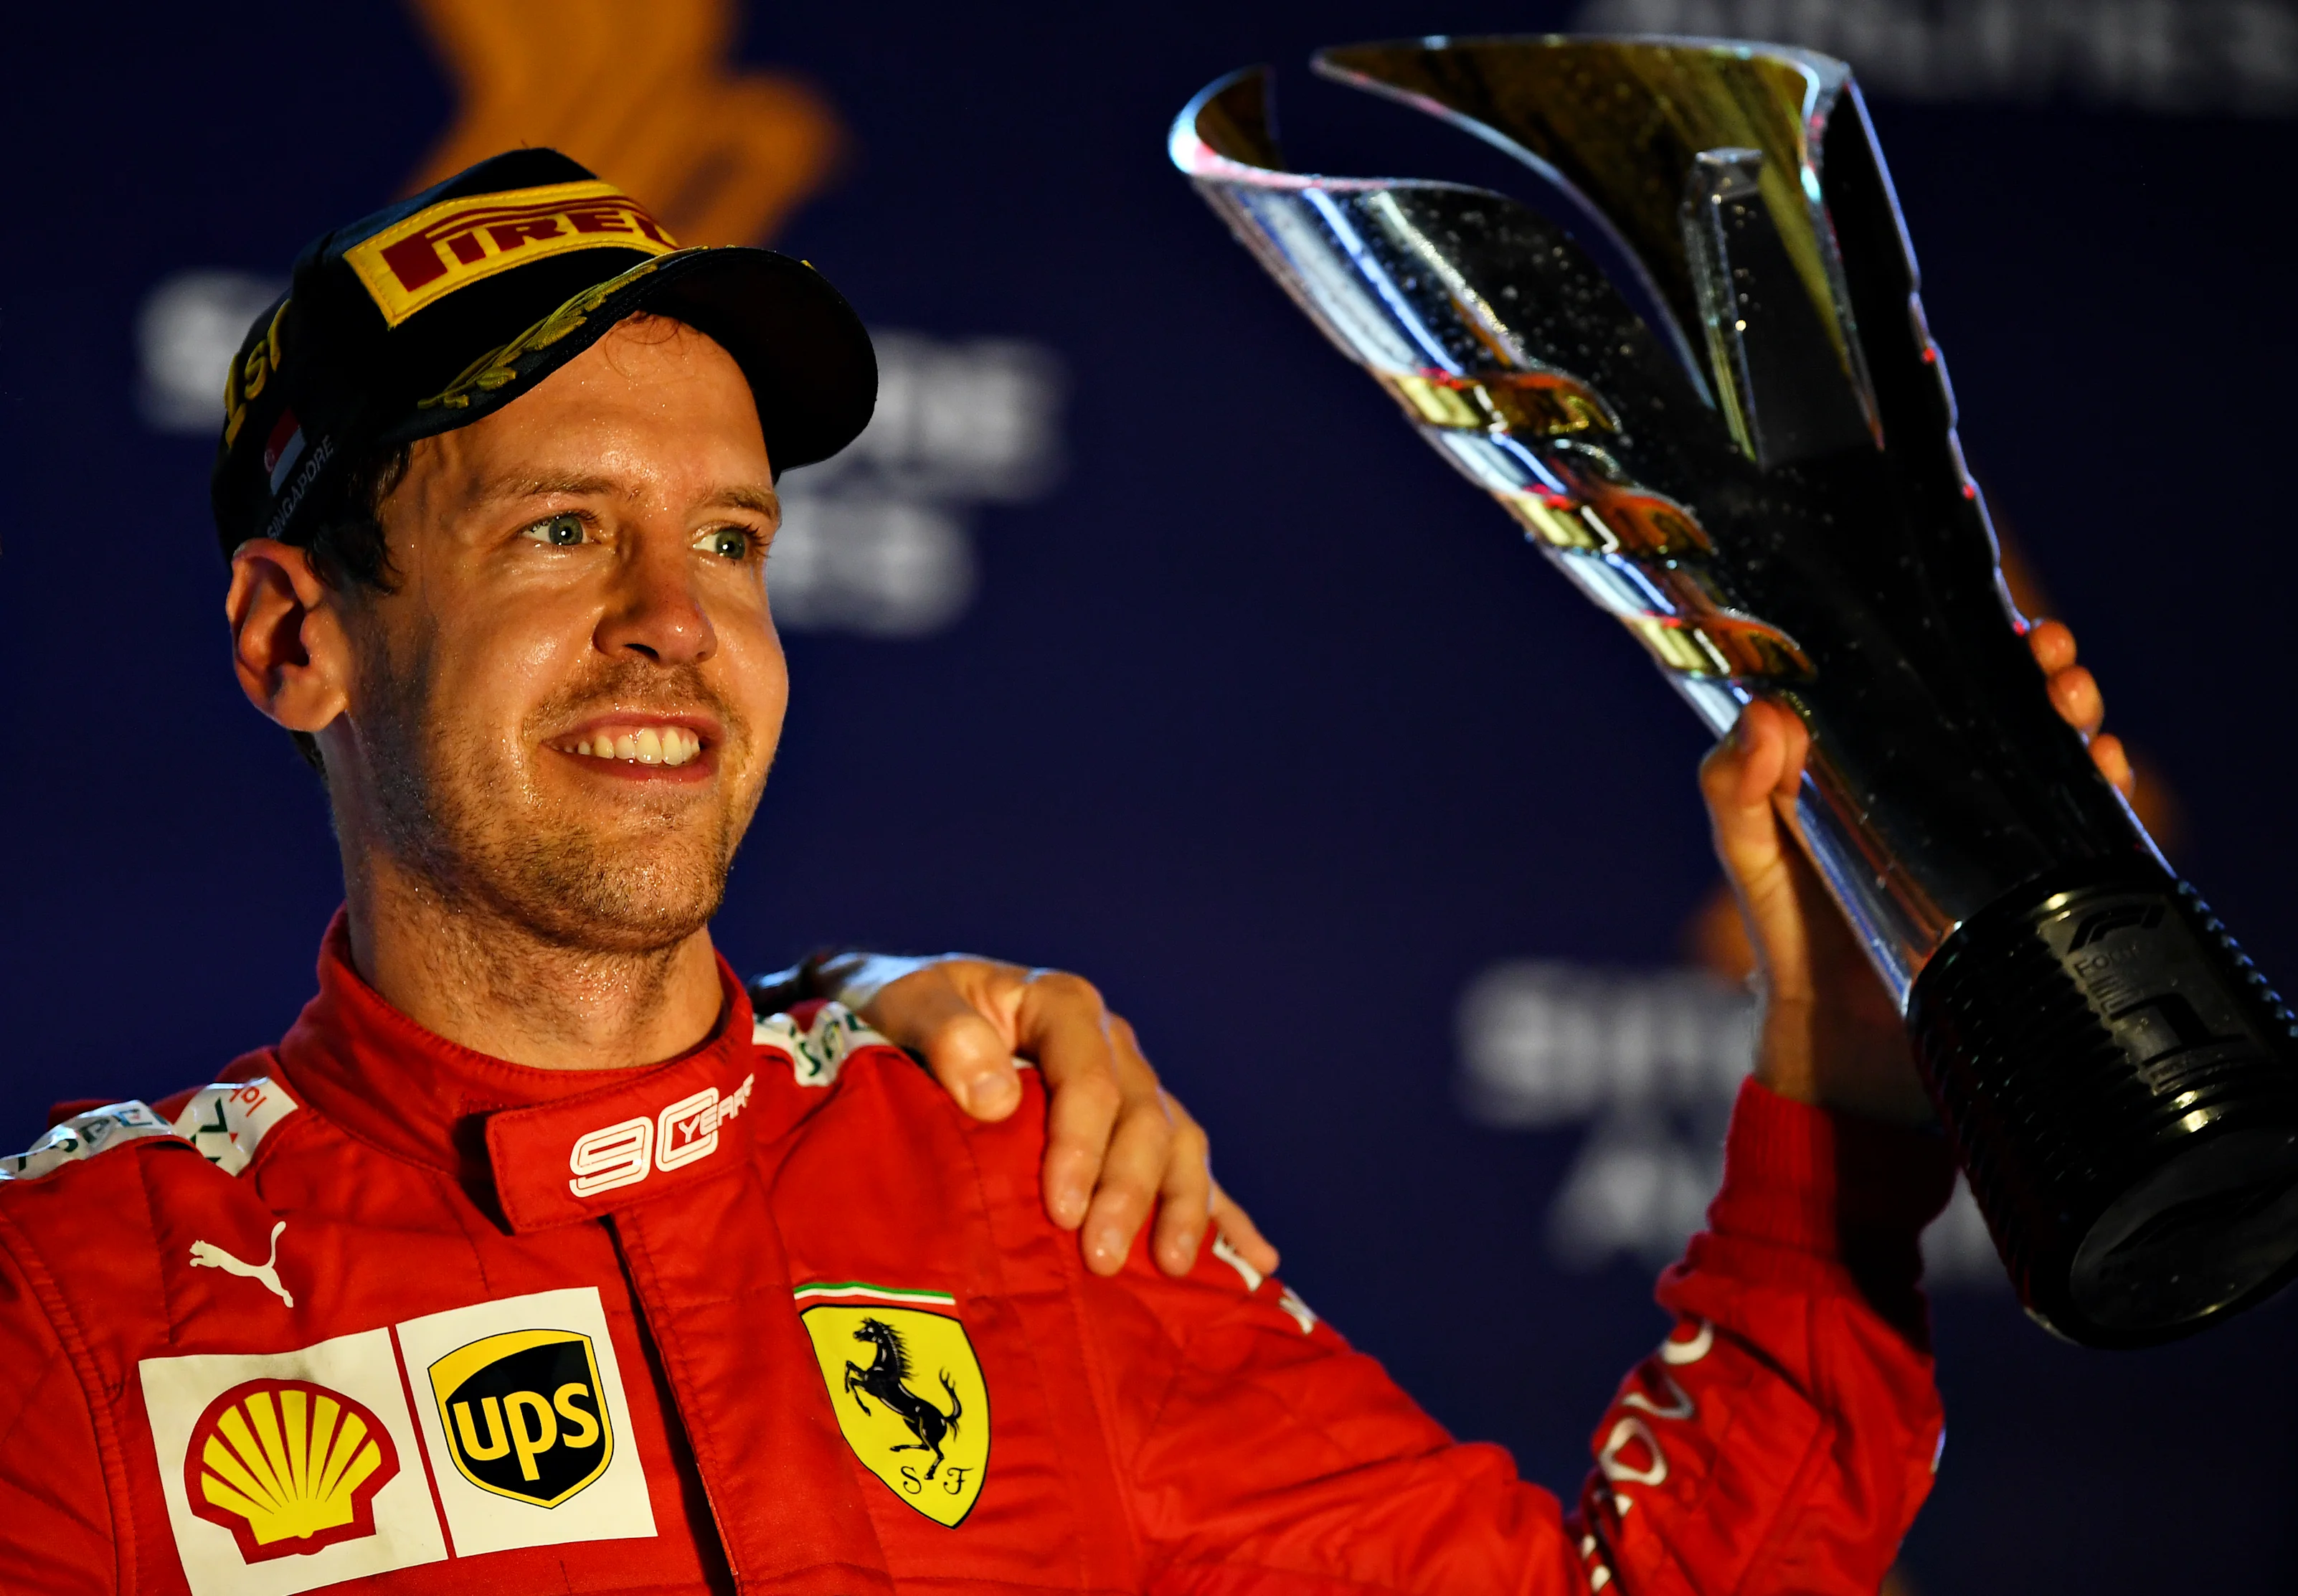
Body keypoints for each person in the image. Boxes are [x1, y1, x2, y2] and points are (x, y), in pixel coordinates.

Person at [0, 151, 2130, 1596]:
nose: (676, 621)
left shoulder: (1021, 1185)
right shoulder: (77, 1309)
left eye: (731, 540)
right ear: (300, 639)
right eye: (560, 530)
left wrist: (1847, 1095)